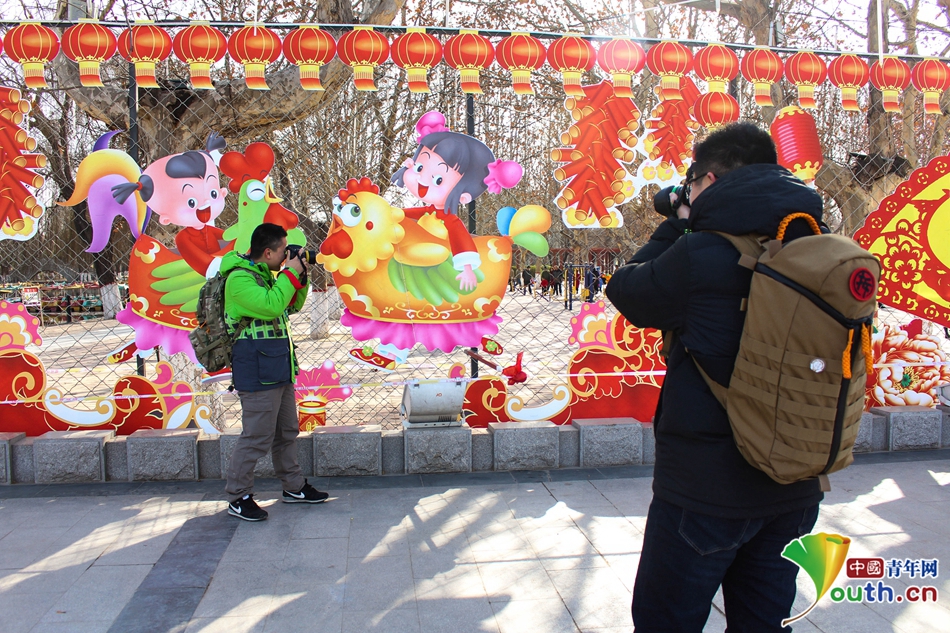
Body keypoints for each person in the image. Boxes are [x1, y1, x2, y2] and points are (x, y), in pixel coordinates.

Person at [605, 123, 824, 632]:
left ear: (708, 180)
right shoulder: (818, 243)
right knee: (763, 621)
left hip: (706, 490)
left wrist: (678, 225)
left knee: (666, 621)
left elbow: (628, 291)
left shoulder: (701, 252)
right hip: (798, 482)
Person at [223, 223, 328, 521]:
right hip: (256, 371)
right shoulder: (239, 279)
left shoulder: (268, 276)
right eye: (283, 251)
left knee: (286, 432)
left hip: (279, 366)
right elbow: (271, 306)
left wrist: (300, 275)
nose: (286, 256)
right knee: (257, 436)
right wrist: (289, 273)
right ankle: (238, 496)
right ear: (267, 252)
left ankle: (293, 487)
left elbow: (290, 306)